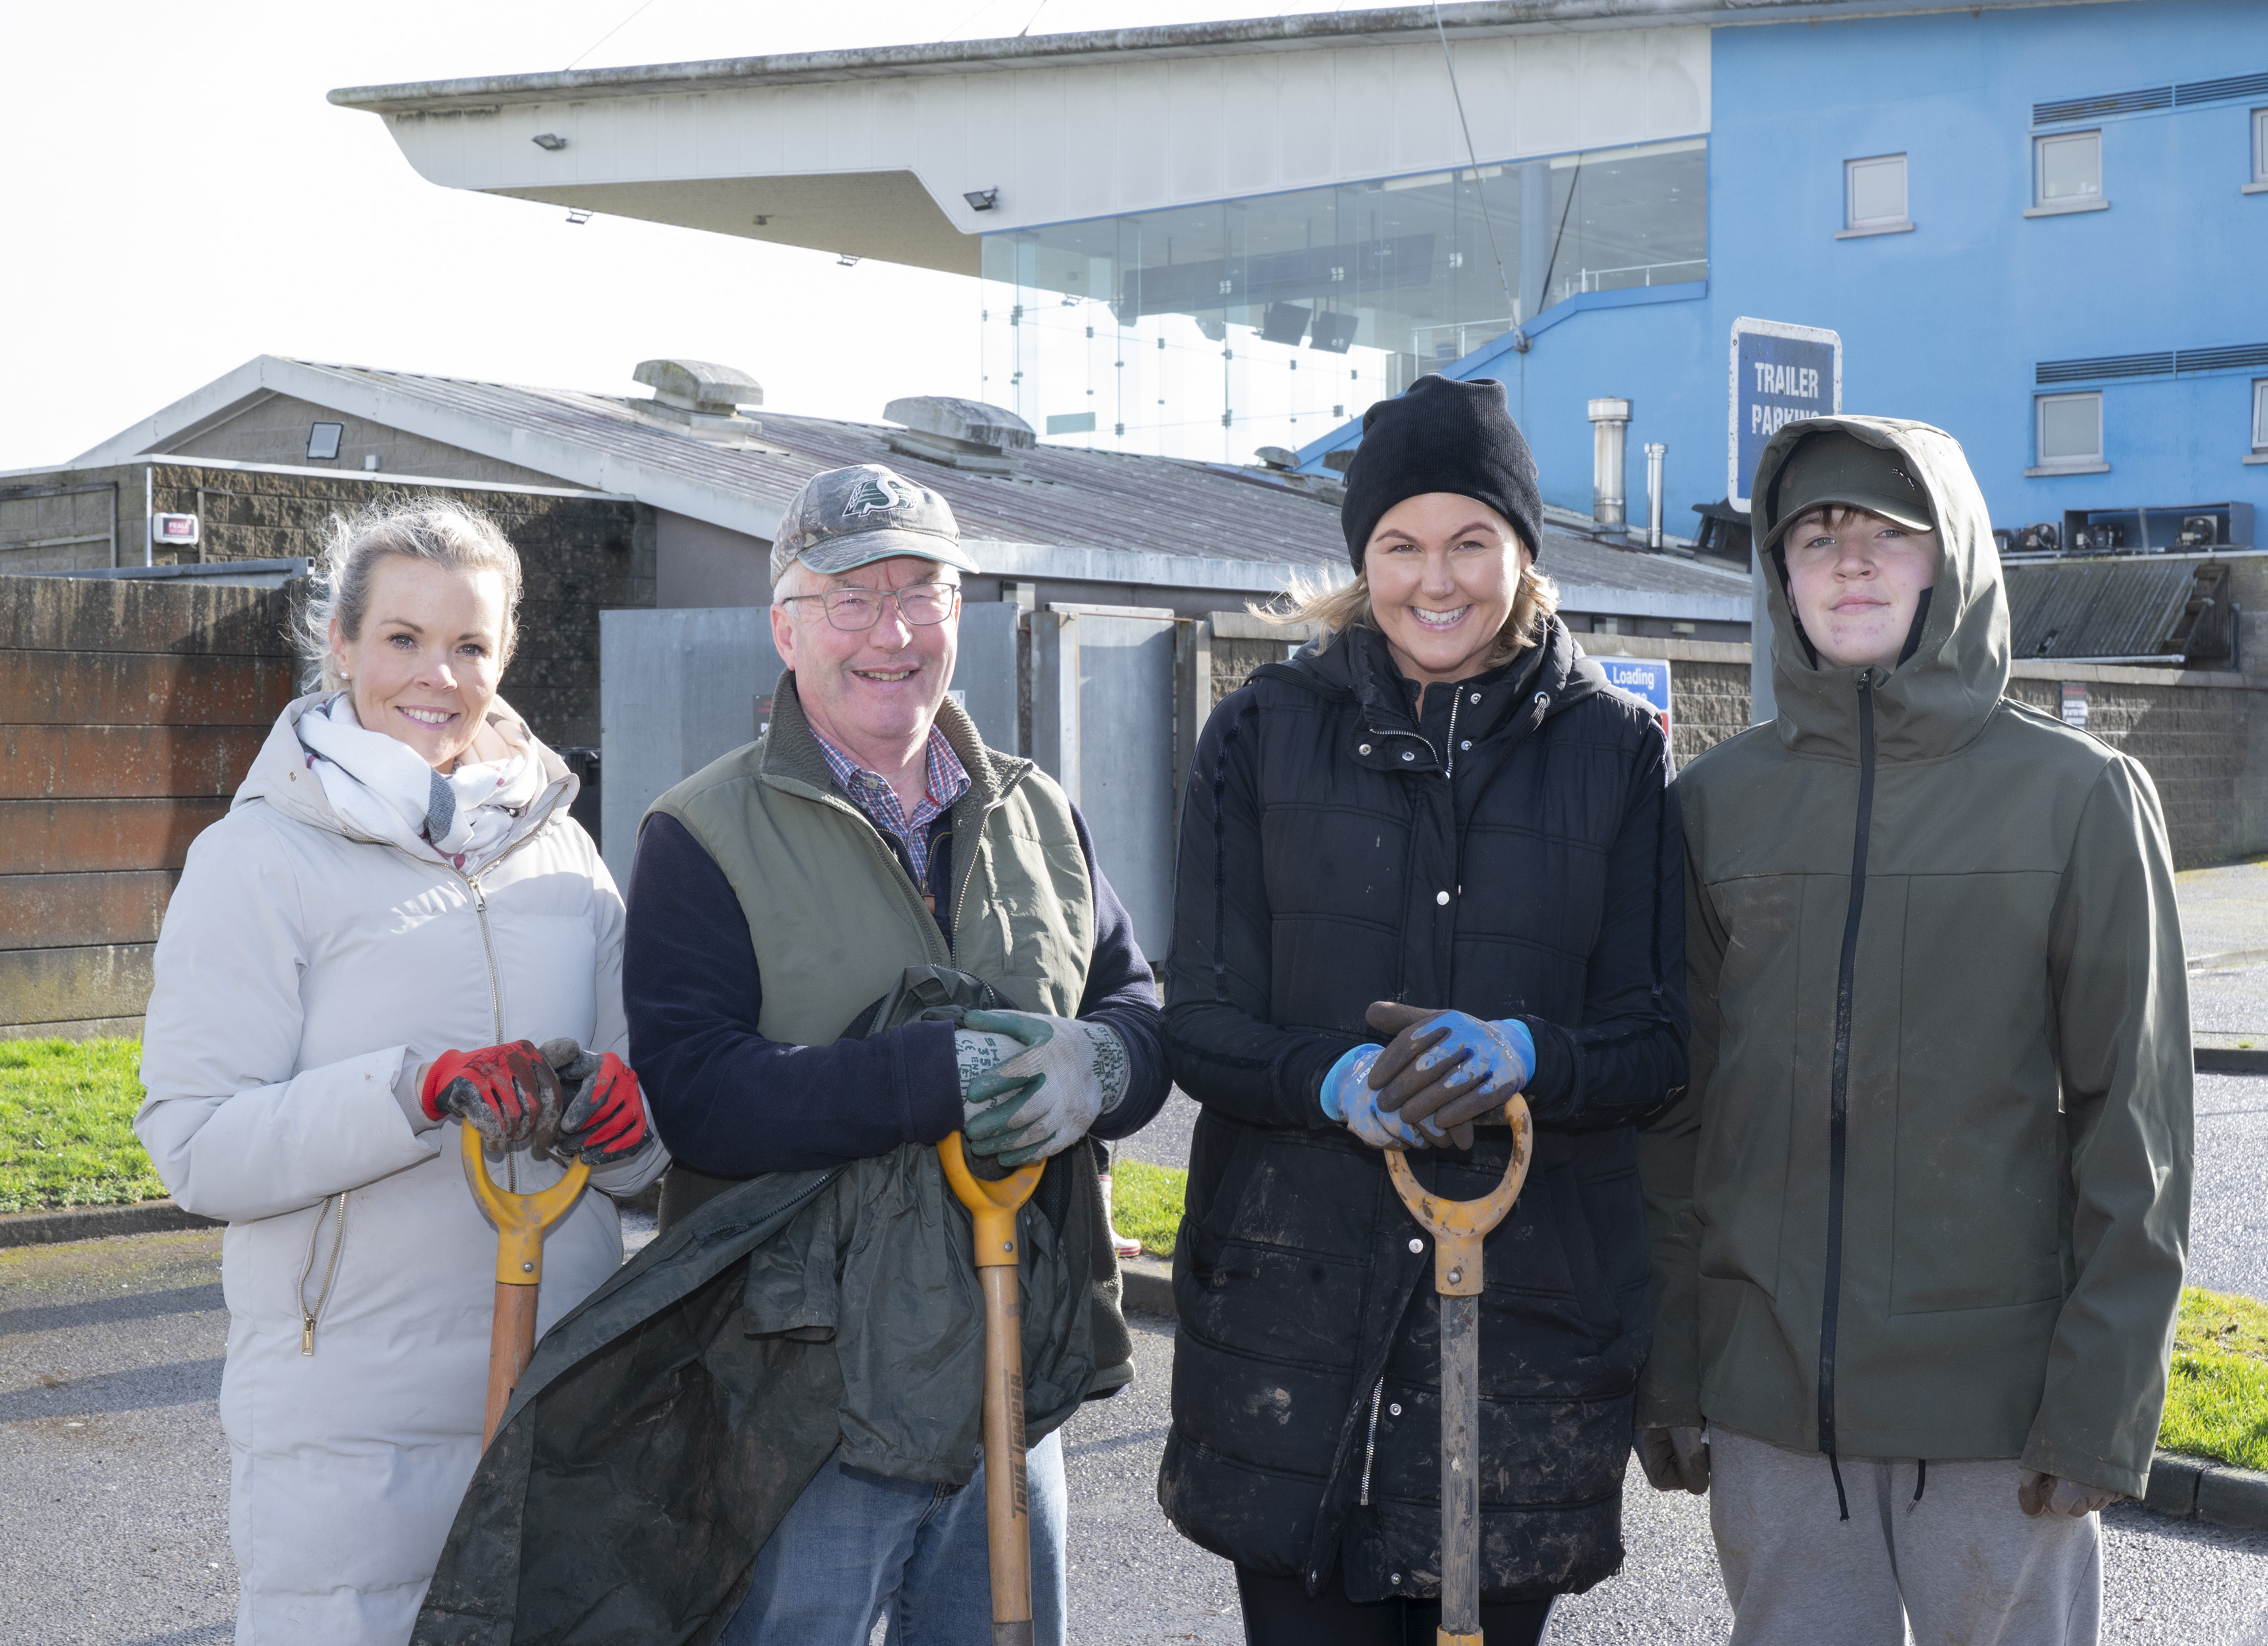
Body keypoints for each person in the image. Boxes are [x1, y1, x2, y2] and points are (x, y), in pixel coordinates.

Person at [1634, 418, 2192, 1646]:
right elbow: (1675, 1118)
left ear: (1950, 560)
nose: (1851, 562)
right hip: (1777, 1413)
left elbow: (2134, 1133)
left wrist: (2103, 1406)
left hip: (2000, 1420)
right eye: (1817, 534)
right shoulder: (1714, 809)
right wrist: (1673, 1364)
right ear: (1781, 573)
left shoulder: (2081, 798)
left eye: (1890, 533)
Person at [1157, 374, 1690, 1646]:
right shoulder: (1257, 736)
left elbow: (1656, 1041)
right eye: (1399, 543)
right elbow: (1199, 1020)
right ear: (1360, 556)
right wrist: (1326, 1079)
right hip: (1296, 1336)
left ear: (1521, 552)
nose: (1433, 578)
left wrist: (1527, 1054)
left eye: (1470, 540)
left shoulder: (1611, 752)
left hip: (1518, 1350)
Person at [620, 462, 1170, 1645]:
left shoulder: (1040, 814)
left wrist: (1102, 1070)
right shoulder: (700, 834)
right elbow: (701, 1096)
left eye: (920, 594)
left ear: (956, 613)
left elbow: (1136, 998)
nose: (892, 633)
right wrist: (934, 1079)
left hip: (1011, 1361)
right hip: (804, 1388)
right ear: (786, 625)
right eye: (849, 600)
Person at [135, 500, 664, 1646]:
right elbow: (196, 1144)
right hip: (345, 1427)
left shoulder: (564, 852)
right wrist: (410, 1092)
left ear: (506, 655)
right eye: (403, 639)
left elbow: (637, 1119)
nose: (439, 676)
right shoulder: (257, 858)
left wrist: (632, 1127)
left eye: (471, 645)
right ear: (340, 645)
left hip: (550, 1394)